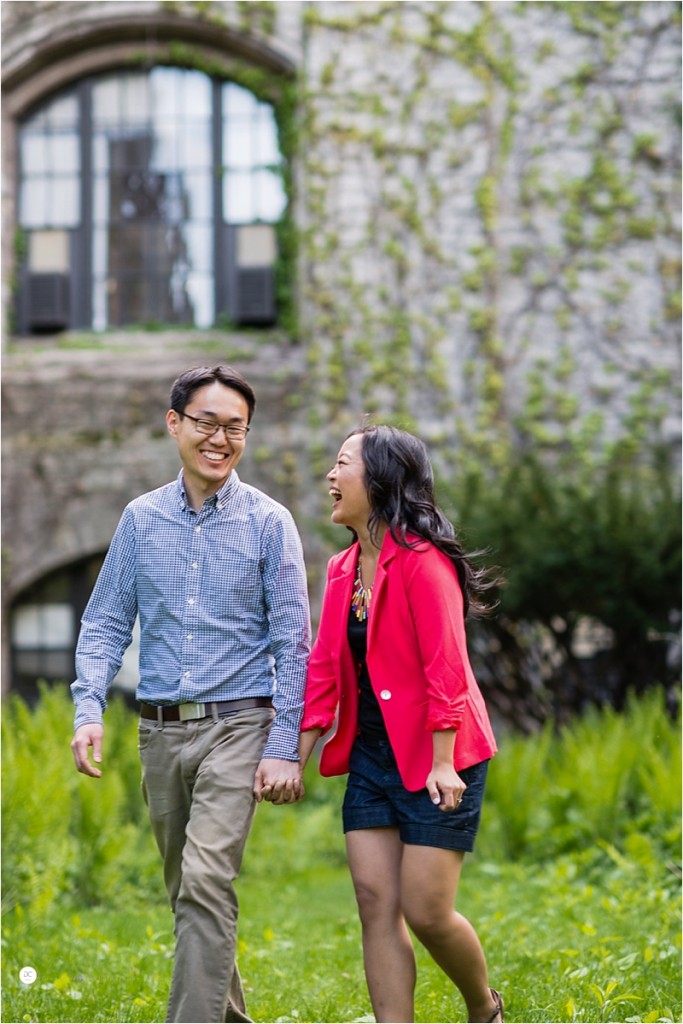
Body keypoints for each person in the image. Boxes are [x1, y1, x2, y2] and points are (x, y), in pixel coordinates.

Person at [70, 364, 311, 1024]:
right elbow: (106, 620)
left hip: (239, 725)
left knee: (206, 882)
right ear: (174, 423)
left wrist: (284, 747)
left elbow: (294, 644)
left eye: (235, 427)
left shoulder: (269, 522)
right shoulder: (141, 520)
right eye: (207, 422)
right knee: (190, 895)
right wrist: (88, 708)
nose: (221, 438)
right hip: (158, 733)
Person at [298, 424, 504, 1024]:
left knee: (427, 911)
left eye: (343, 464)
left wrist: (443, 760)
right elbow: (325, 670)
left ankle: (483, 1007)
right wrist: (297, 751)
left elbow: (448, 668)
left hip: (443, 756)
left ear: (381, 479)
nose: (331, 477)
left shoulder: (423, 563)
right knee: (374, 901)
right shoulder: (341, 568)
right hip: (371, 757)